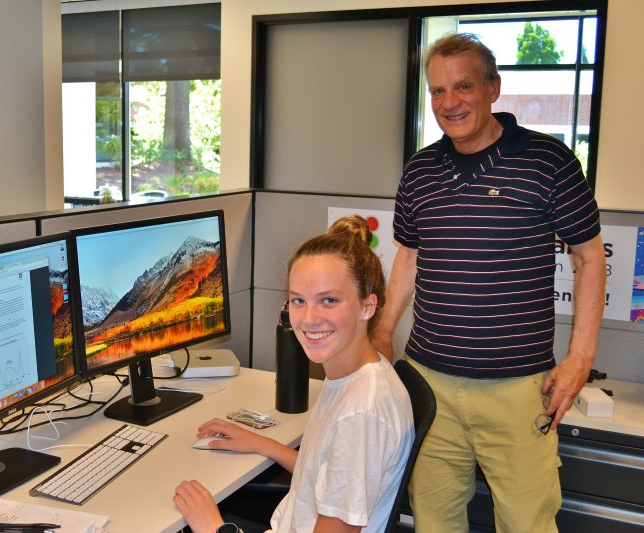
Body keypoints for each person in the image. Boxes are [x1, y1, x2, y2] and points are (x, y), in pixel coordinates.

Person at [374, 33, 607, 533]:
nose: (449, 102)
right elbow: (409, 256)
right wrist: (382, 331)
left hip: (519, 391)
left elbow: (590, 258)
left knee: (527, 524)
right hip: (429, 380)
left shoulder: (548, 162)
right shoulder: (419, 171)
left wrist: (580, 358)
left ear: (493, 88)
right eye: (437, 91)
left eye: (462, 87)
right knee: (434, 522)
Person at [174, 215, 414, 533]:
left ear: (367, 306)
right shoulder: (356, 376)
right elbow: (328, 475)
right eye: (299, 300)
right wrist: (263, 444)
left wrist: (214, 528)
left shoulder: (361, 413)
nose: (309, 318)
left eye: (329, 300)